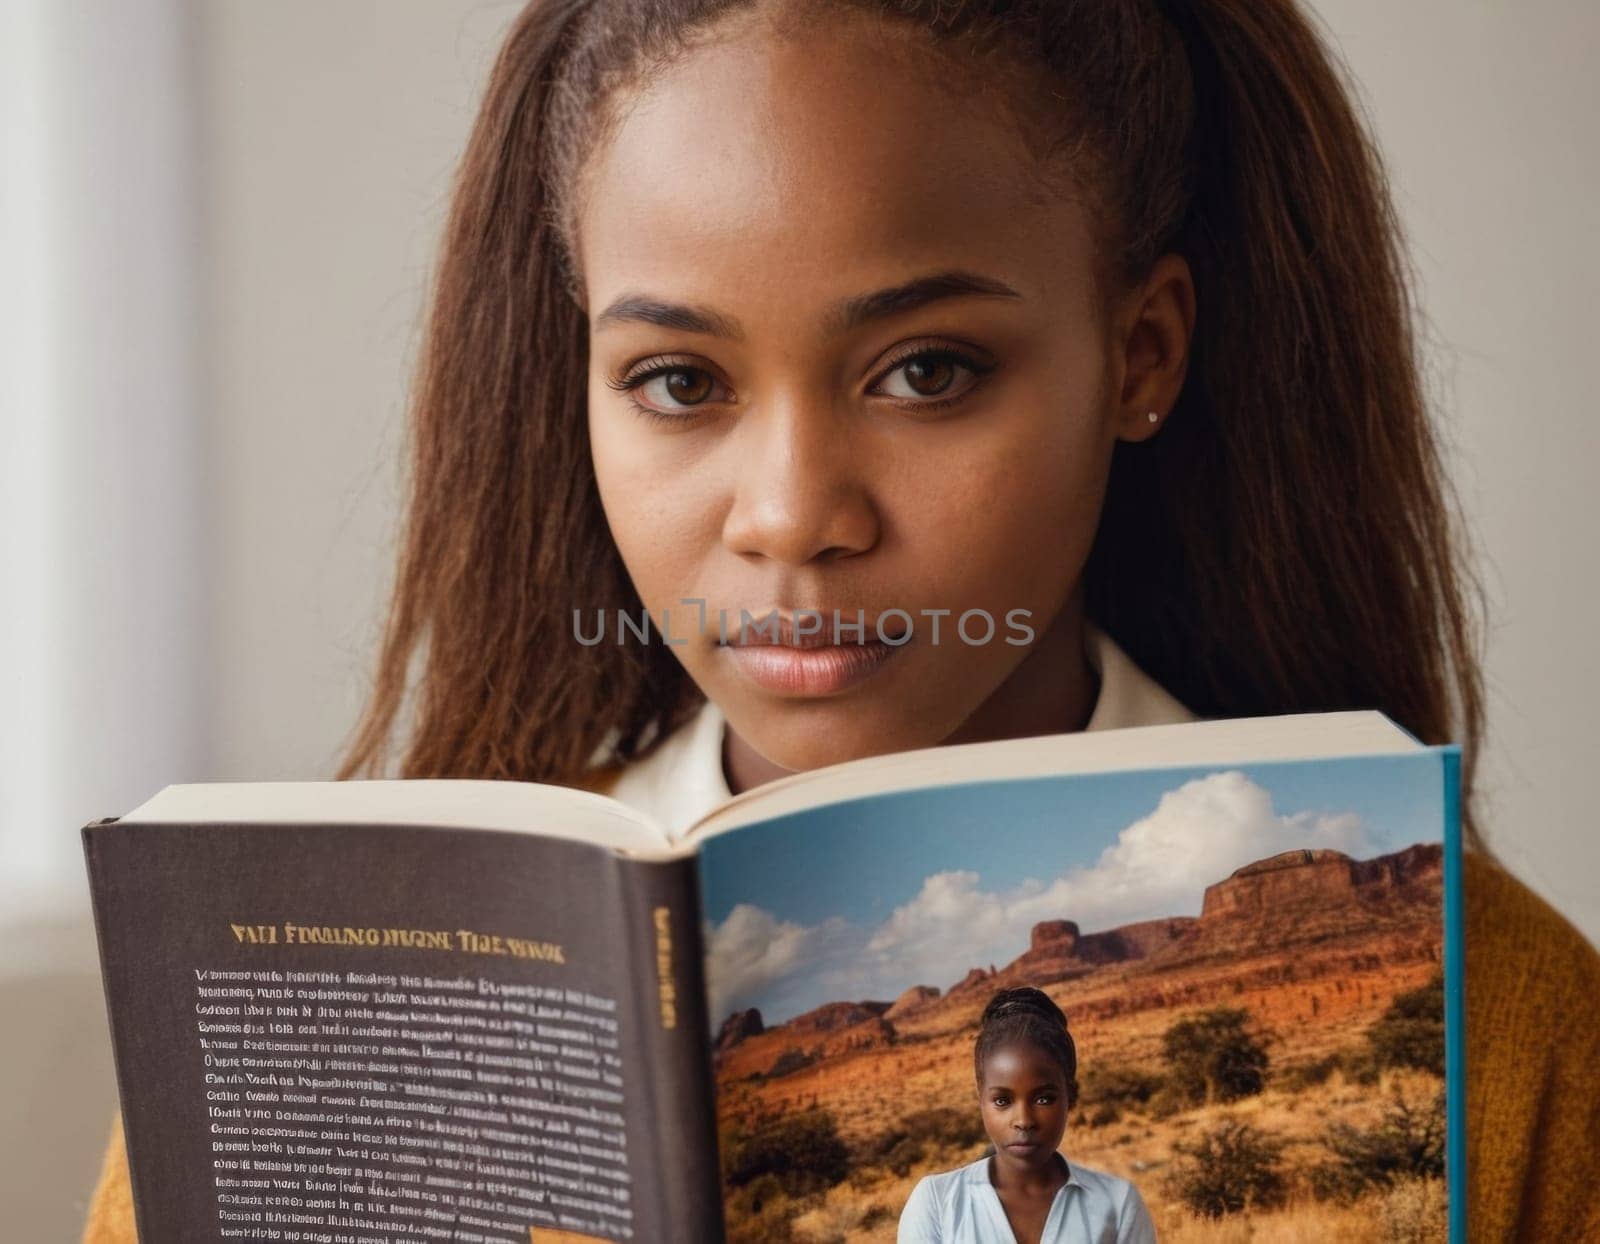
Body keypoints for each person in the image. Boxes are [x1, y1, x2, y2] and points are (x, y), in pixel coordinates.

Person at [82, 0, 1599, 1240]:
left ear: (1139, 352)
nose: (794, 513)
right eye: (680, 382)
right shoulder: (313, 1034)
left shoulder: (1509, 1026)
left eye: (927, 370)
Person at [899, 987, 1157, 1244]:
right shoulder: (936, 1203)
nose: (1023, 1120)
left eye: (1043, 1099)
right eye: (1002, 1101)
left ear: (1069, 1096)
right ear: (981, 1099)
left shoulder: (1118, 1205)